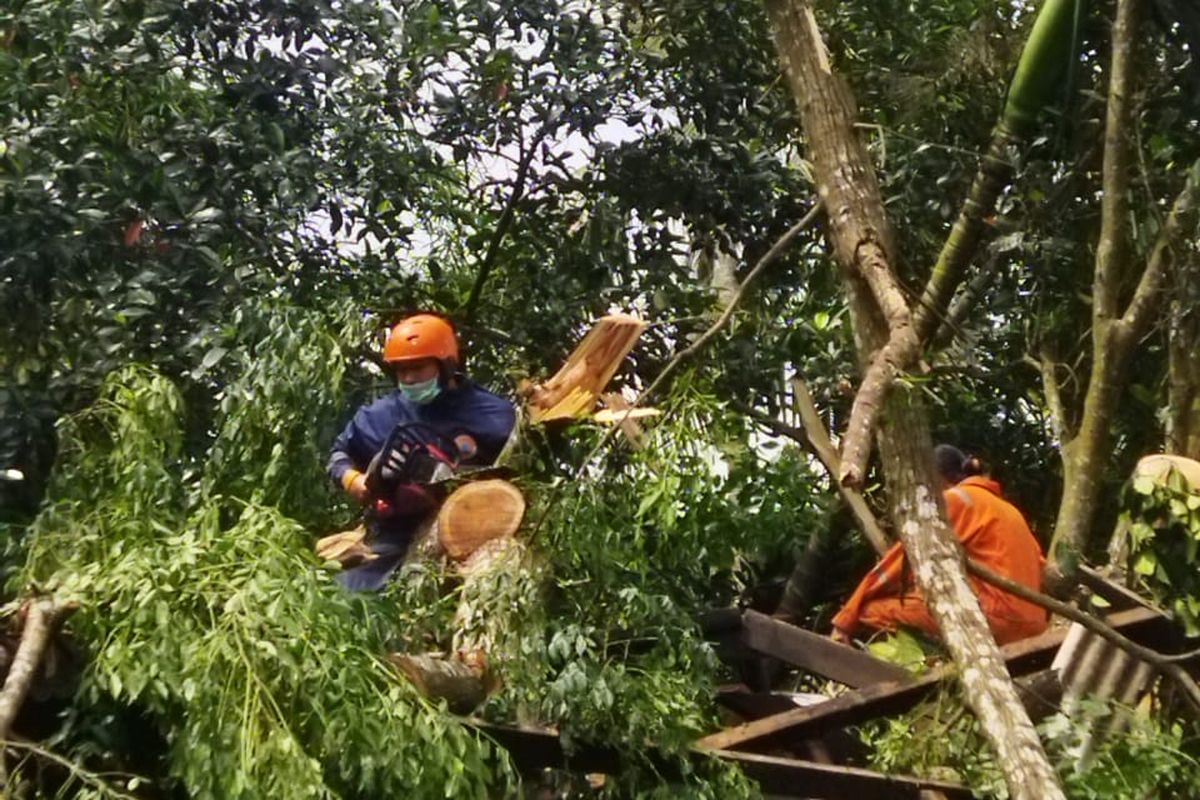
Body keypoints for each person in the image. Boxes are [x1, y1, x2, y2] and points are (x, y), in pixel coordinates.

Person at [327, 313, 516, 590]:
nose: (409, 378)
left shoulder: (492, 414)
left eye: (418, 368)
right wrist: (354, 481)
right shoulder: (380, 416)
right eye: (402, 370)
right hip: (395, 534)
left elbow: (524, 469)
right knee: (347, 595)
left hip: (475, 531)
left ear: (446, 365)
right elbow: (339, 453)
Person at [831, 445, 1048, 646]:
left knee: (869, 612)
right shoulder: (1009, 510)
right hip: (1034, 625)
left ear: (934, 479)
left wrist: (845, 619)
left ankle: (920, 669)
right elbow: (1041, 567)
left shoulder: (953, 501)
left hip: (998, 620)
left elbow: (897, 564)